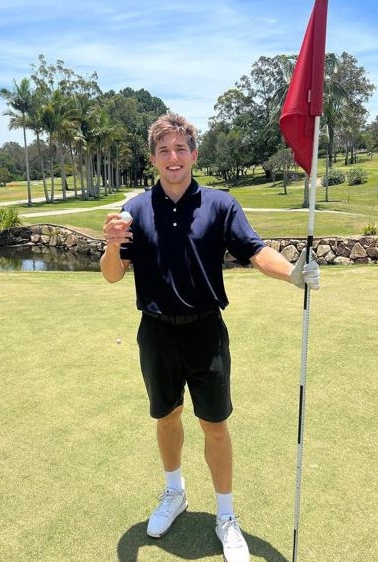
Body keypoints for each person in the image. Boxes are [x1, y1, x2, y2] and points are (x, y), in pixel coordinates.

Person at [100, 112, 319, 562]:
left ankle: (225, 516)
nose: (173, 157)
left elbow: (256, 252)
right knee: (166, 417)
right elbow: (112, 275)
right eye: (164, 150)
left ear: (194, 155)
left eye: (181, 149)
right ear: (153, 159)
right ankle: (174, 492)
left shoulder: (220, 204)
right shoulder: (135, 210)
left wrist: (294, 274)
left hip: (206, 332)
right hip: (156, 333)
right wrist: (110, 245)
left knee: (215, 426)